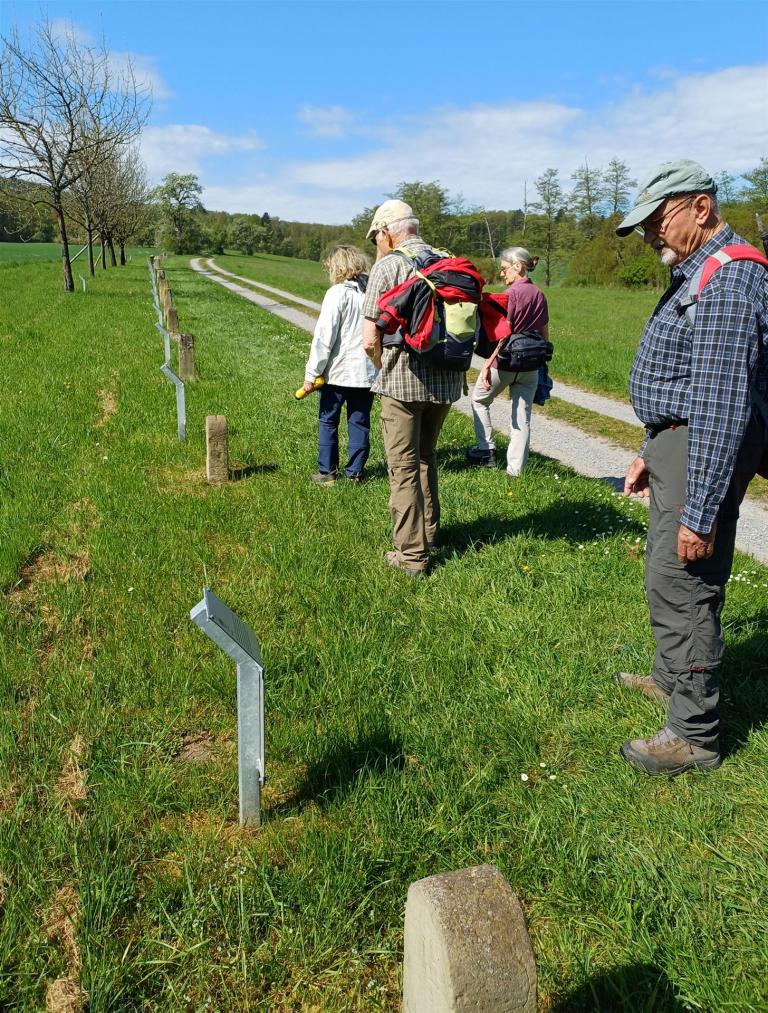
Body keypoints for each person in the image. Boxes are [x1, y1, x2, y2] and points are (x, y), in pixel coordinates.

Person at [615, 159, 768, 776]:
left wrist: (700, 510)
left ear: (700, 207)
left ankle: (694, 734)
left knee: (687, 583)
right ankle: (671, 679)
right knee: (664, 574)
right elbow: (686, 382)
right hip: (677, 446)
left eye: (656, 219)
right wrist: (651, 450)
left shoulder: (729, 278)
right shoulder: (699, 270)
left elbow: (722, 403)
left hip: (699, 447)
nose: (648, 234)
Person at [361, 199, 462, 576]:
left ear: (386, 232)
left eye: (376, 236)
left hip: (402, 384)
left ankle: (411, 557)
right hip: (447, 380)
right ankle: (429, 534)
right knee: (425, 457)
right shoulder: (447, 260)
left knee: (402, 468)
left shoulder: (388, 266)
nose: (377, 243)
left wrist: (381, 369)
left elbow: (369, 338)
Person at [466, 247, 549, 476]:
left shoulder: (511, 294)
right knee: (522, 417)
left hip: (506, 361)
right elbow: (544, 332)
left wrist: (486, 364)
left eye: (504, 269)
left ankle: (486, 450)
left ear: (518, 267)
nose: (502, 273)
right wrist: (542, 362)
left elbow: (505, 332)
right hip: (531, 363)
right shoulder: (539, 294)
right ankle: (515, 471)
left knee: (480, 400)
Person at [302, 245, 376, 486]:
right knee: (359, 422)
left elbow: (324, 337)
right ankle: (355, 474)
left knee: (328, 420)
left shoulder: (337, 293)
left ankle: (327, 473)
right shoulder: (372, 293)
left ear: (338, 267)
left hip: (337, 373)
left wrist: (312, 373)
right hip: (366, 373)